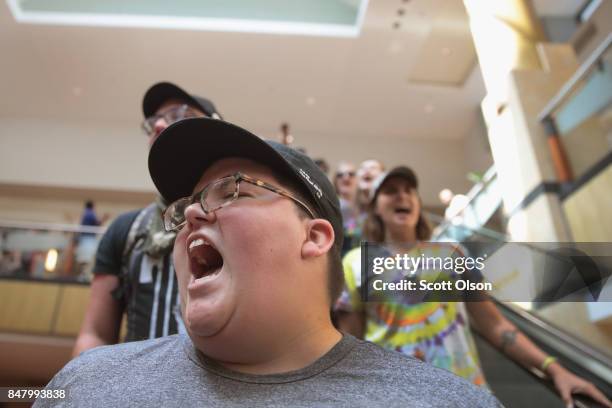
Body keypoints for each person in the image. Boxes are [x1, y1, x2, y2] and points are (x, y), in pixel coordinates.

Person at [36, 118, 501, 407]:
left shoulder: (450, 260)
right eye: (184, 206)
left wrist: (550, 366)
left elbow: (494, 323)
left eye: (233, 190)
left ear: (316, 237)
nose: (192, 213)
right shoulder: (87, 386)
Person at [336, 166, 612, 408]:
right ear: (375, 208)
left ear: (418, 205)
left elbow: (496, 326)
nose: (402, 196)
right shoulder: (355, 263)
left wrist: (554, 369)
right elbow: (354, 349)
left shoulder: (451, 254)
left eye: (410, 190)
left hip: (469, 396)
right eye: (391, 191)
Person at [72, 82, 223, 356]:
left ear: (215, 128)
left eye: (179, 115)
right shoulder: (126, 229)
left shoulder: (238, 218)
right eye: (154, 121)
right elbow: (94, 333)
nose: (158, 126)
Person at [333, 161, 359, 256]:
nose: (346, 177)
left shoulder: (366, 208)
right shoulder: (330, 206)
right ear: (335, 181)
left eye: (351, 174)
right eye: (340, 175)